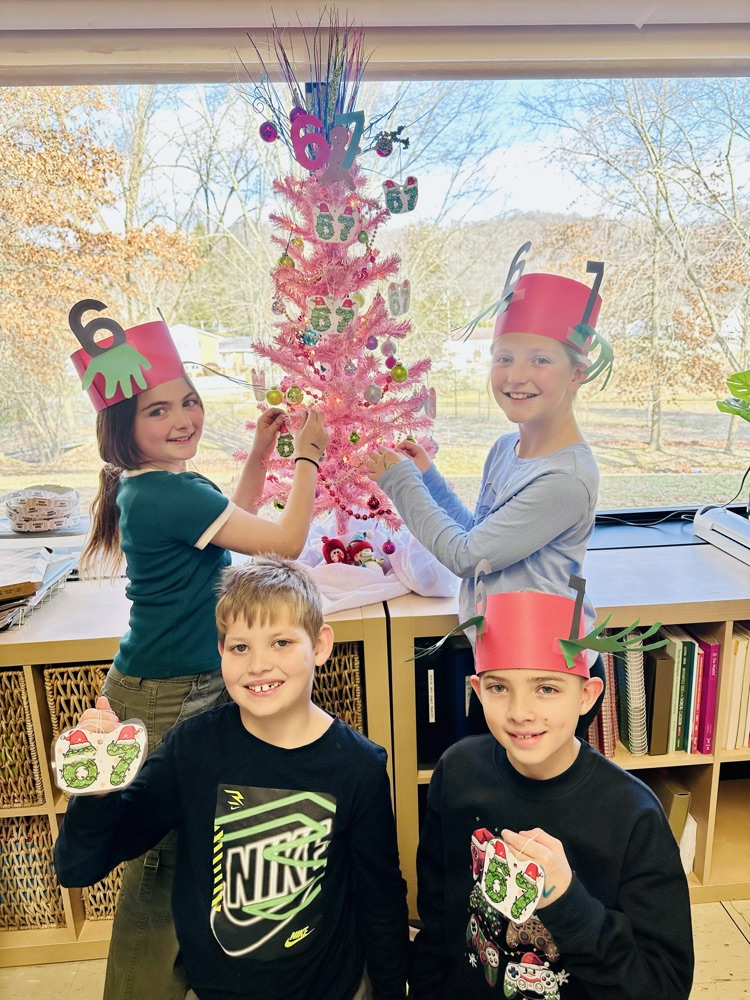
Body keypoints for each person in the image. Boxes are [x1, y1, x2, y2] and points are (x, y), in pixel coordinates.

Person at [69, 299, 329, 999]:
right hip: (170, 691)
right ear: (124, 428)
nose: (182, 417)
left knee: (180, 844)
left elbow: (232, 525)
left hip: (166, 682)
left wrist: (260, 455)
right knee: (160, 858)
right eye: (158, 412)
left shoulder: (163, 487)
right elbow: (284, 541)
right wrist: (308, 454)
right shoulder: (164, 495)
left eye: (188, 401)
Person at [55, 556, 409, 1000]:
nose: (259, 665)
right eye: (240, 647)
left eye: (280, 642)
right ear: (220, 651)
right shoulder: (192, 748)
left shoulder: (359, 765)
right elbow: (77, 867)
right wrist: (97, 790)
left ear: (319, 645)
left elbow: (380, 899)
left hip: (330, 988)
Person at [366, 258, 610, 735]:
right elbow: (480, 534)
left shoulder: (566, 478)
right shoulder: (506, 448)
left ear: (577, 374)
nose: (516, 375)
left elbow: (466, 556)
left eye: (540, 359)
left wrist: (401, 483)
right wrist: (428, 478)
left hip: (549, 675)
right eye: (504, 357)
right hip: (502, 659)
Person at [410, 587, 694, 999]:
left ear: (586, 695)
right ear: (476, 688)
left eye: (546, 688)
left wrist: (566, 900)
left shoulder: (632, 816)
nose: (521, 711)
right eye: (498, 687)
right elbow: (439, 920)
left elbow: (662, 985)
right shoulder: (457, 774)